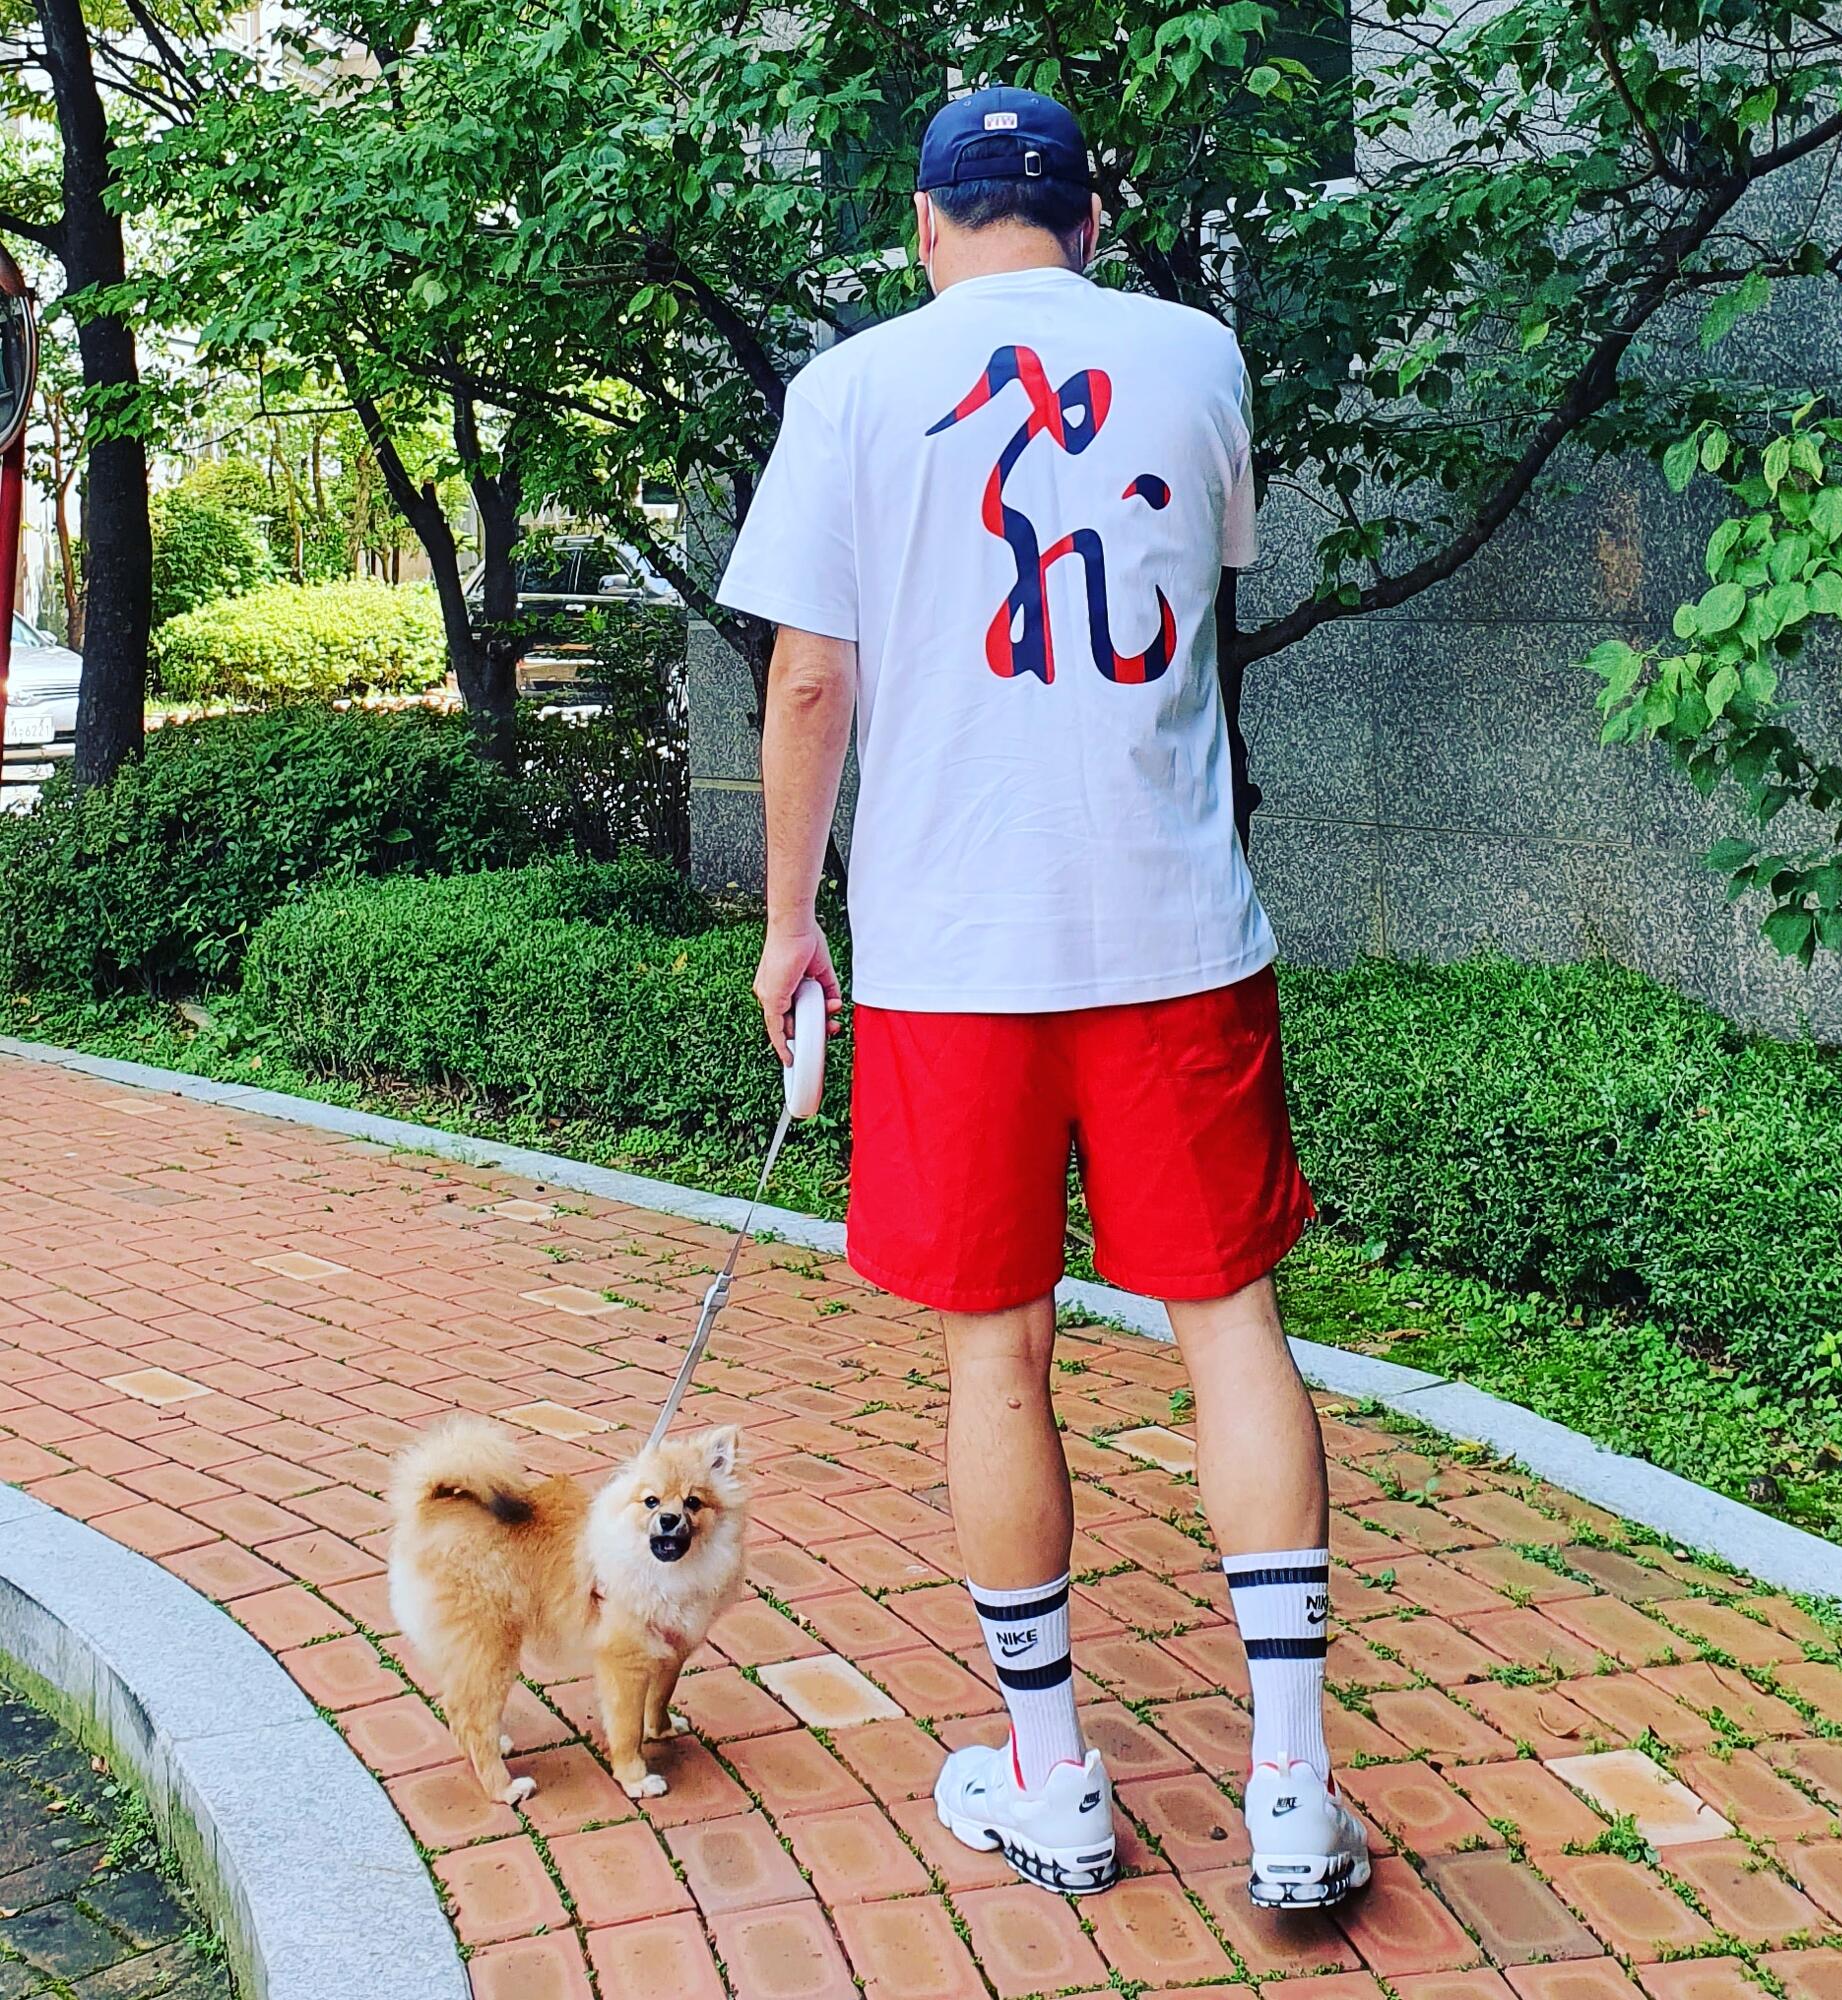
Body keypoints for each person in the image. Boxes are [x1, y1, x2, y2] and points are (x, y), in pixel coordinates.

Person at [716, 82, 1369, 1909]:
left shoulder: (851, 388)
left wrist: (789, 923)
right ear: (1089, 221)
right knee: (1231, 1327)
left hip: (953, 950)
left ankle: (1054, 1777)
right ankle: (1293, 1790)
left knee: (994, 1352)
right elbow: (1194, 586)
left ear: (926, 230)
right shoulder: (1197, 357)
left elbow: (811, 684)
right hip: (1175, 933)